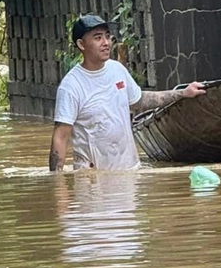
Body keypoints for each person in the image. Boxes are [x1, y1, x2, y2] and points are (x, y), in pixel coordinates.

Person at [49, 14, 207, 171]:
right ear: (81, 44)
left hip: (129, 172)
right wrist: (57, 184)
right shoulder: (71, 86)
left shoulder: (117, 70)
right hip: (92, 181)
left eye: (107, 36)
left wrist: (183, 93)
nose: (106, 43)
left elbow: (139, 101)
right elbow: (61, 136)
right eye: (98, 38)